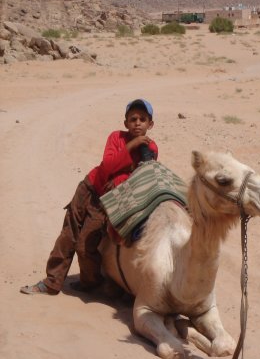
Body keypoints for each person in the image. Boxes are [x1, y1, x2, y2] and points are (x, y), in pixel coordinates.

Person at [20, 99, 158, 295]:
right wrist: (130, 146)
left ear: (150, 124)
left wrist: (119, 179)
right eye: (133, 119)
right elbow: (107, 165)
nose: (137, 123)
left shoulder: (150, 149)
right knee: (68, 235)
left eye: (142, 119)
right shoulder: (116, 137)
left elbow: (141, 178)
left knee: (86, 245)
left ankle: (90, 283)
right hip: (89, 187)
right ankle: (52, 282)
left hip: (108, 201)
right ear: (126, 122)